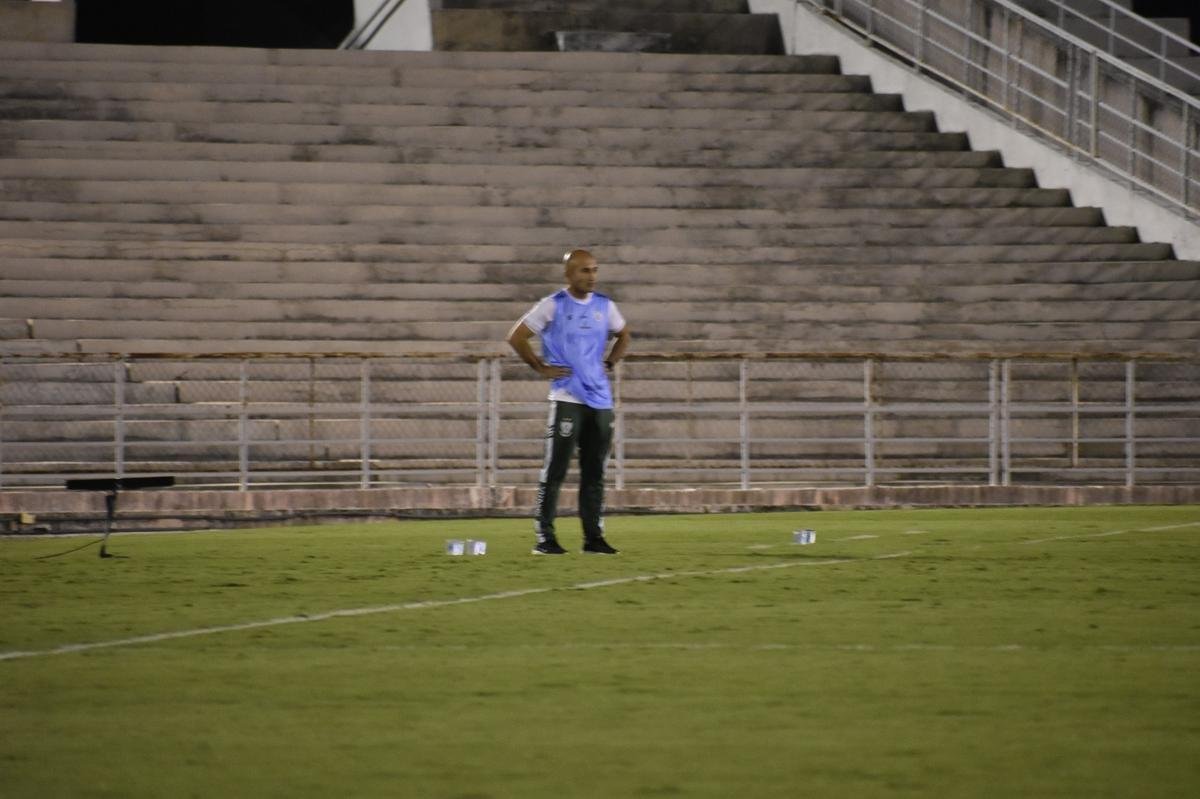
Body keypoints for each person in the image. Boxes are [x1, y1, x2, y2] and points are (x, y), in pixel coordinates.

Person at [507, 249, 632, 555]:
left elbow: (624, 335)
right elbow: (516, 336)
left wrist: (610, 362)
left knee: (595, 473)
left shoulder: (605, 305)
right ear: (569, 274)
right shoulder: (553, 305)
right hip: (567, 398)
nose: (591, 276)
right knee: (555, 470)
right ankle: (545, 537)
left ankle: (593, 538)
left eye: (594, 270)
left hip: (600, 400)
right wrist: (540, 367)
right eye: (584, 271)